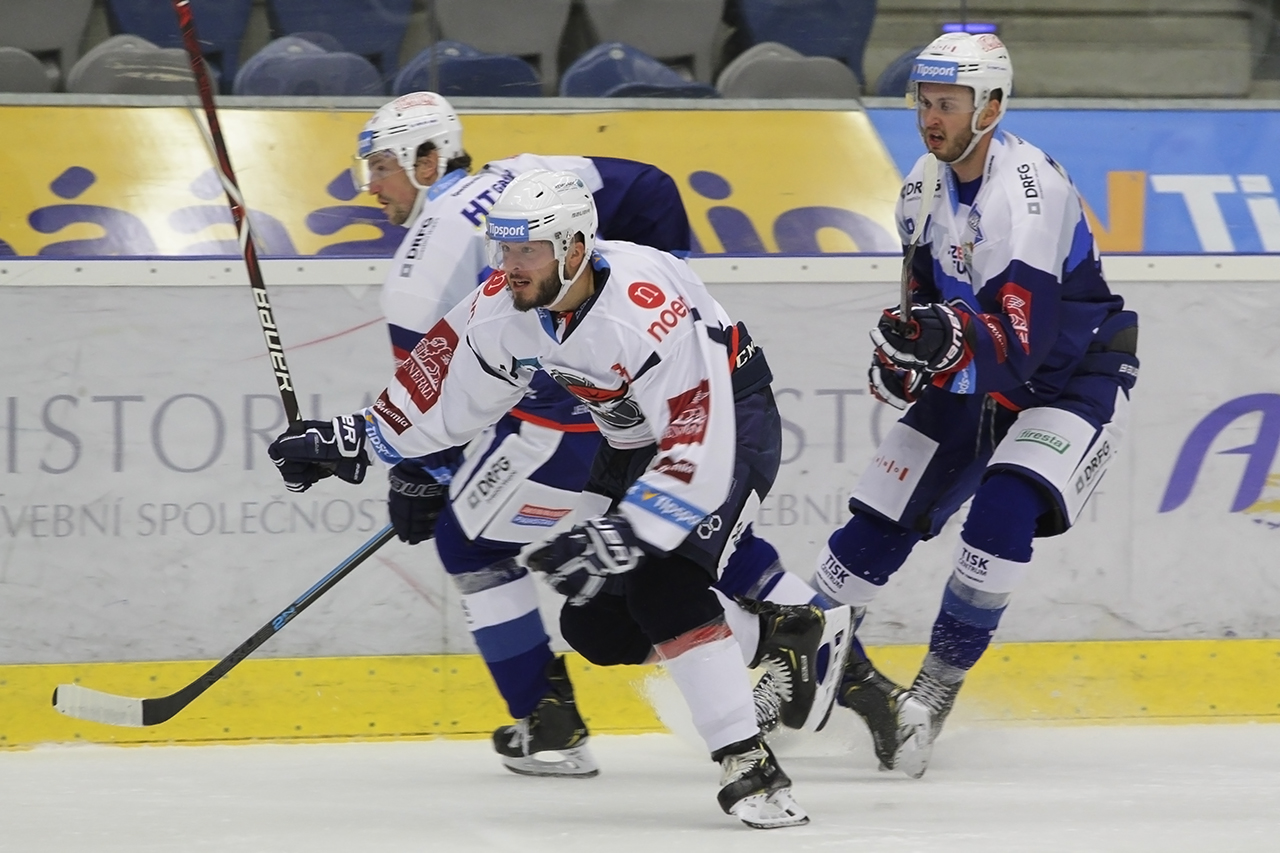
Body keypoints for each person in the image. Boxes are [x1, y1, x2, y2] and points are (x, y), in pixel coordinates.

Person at [267, 169, 849, 827]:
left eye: (529, 250)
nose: (511, 266)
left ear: (575, 248)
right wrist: (356, 438)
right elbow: (447, 388)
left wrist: (630, 531)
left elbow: (698, 433)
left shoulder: (643, 307)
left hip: (730, 423)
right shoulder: (508, 304)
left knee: (660, 583)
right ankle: (781, 631)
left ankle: (750, 766)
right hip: (632, 439)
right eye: (505, 249)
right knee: (596, 626)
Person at [813, 33, 1139, 779]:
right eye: (925, 102)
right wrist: (902, 357)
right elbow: (924, 305)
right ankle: (804, 663)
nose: (932, 118)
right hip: (984, 370)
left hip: (1069, 377)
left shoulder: (1027, 195)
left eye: (949, 105)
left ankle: (934, 690)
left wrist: (942, 343)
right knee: (877, 516)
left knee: (1002, 513)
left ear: (990, 107)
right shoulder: (921, 186)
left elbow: (1022, 344)